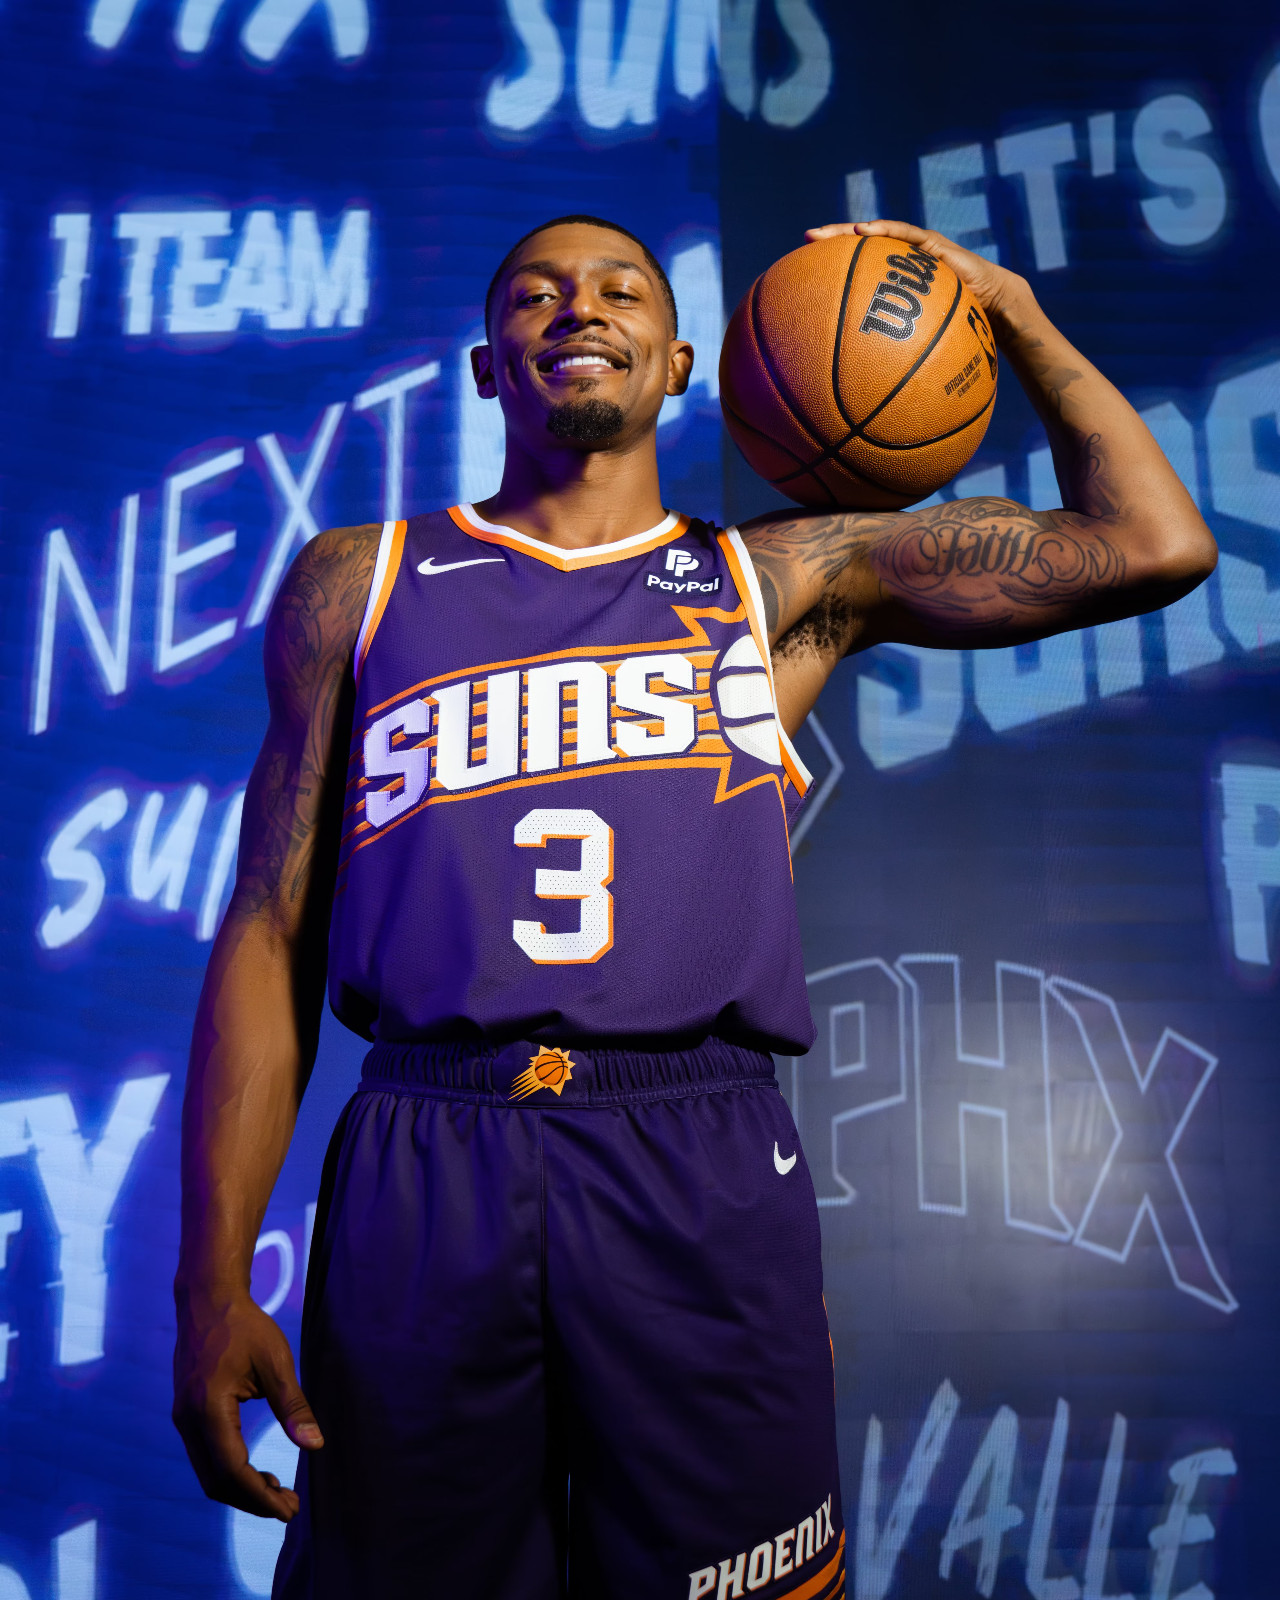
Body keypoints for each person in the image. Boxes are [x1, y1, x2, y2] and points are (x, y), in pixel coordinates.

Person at [172, 213, 1216, 1599]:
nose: (577, 308)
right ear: (484, 365)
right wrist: (210, 1283)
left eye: (620, 290)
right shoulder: (354, 583)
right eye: (533, 293)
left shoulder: (780, 582)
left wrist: (1008, 308)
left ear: (679, 364)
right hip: (430, 1148)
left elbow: (1152, 541)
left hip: (694, 1146)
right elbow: (268, 928)